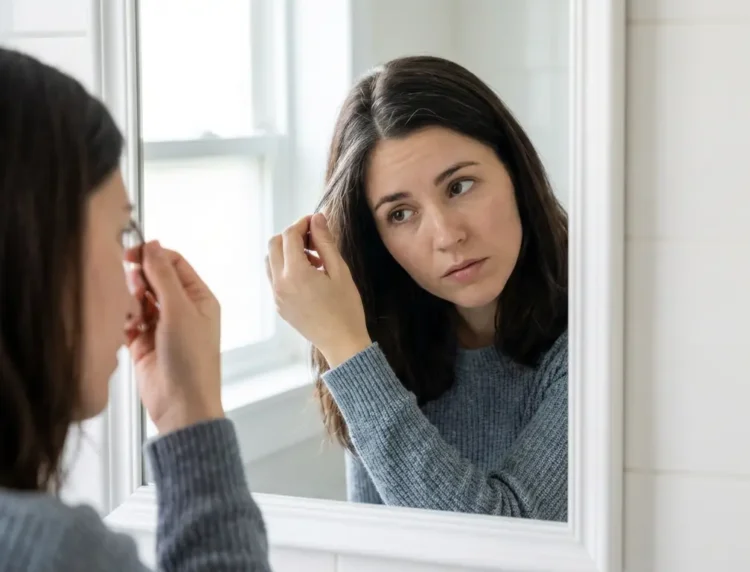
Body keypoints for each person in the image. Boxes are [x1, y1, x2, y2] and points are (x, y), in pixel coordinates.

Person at [0, 48, 271, 570]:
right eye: (122, 231)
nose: (133, 296)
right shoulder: (53, 553)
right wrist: (193, 413)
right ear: (34, 252)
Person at [266, 55, 569, 521]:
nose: (448, 236)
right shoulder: (383, 346)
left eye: (460, 186)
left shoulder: (593, 332)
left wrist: (345, 349)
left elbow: (502, 539)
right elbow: (385, 547)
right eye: (400, 214)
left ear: (514, 170)